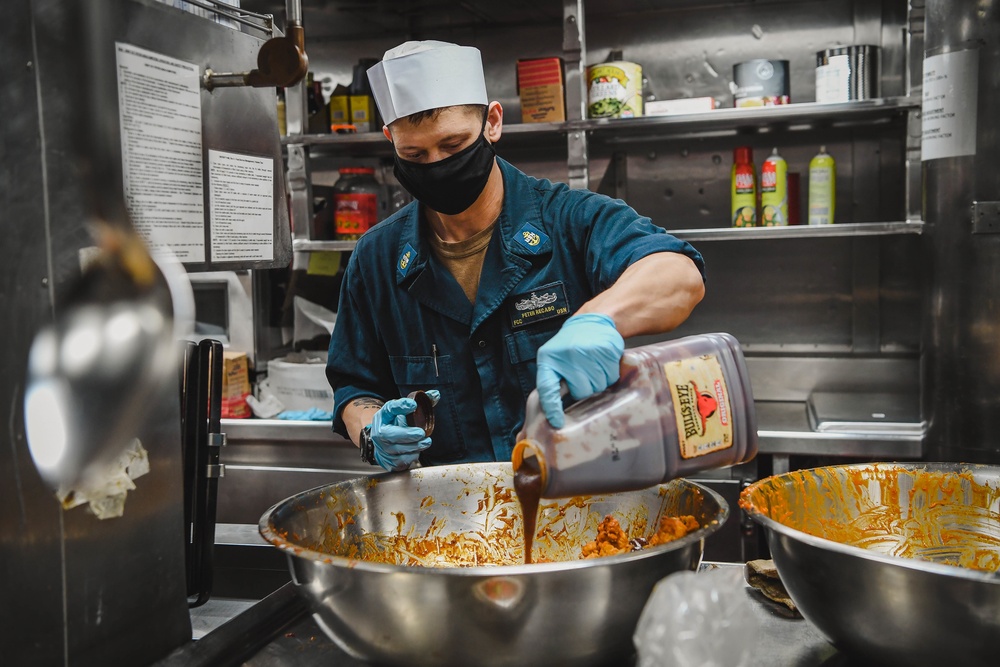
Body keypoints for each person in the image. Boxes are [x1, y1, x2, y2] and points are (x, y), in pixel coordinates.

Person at [326, 40, 705, 472]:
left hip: (582, 504)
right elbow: (353, 387)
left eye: (453, 146)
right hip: (450, 521)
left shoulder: (570, 219)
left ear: (492, 122)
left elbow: (678, 275)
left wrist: (597, 319)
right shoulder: (376, 258)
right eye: (414, 155)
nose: (436, 165)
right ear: (391, 140)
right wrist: (372, 432)